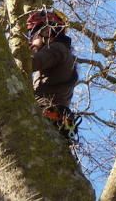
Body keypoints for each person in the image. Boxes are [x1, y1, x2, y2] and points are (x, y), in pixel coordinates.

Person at [27, 9, 79, 140]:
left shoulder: (56, 49)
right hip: (53, 120)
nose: (32, 40)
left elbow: (29, 63)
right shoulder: (64, 54)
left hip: (46, 116)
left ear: (46, 32)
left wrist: (27, 51)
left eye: (34, 36)